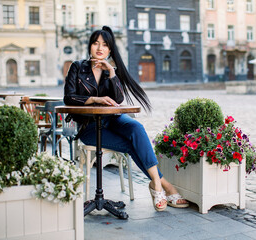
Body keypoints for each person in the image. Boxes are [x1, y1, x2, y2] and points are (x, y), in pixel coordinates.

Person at [64, 26, 188, 211]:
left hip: (113, 120)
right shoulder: (77, 67)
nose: (100, 48)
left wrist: (112, 73)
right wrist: (95, 99)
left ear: (110, 50)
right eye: (96, 43)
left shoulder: (110, 70)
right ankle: (165, 186)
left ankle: (157, 184)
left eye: (105, 45)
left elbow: (119, 99)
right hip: (89, 127)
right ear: (89, 46)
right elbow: (68, 97)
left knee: (136, 129)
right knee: (131, 145)